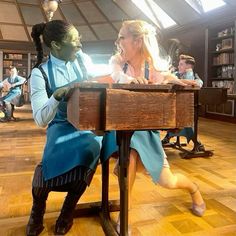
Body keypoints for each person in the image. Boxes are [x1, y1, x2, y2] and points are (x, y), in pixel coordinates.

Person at [108, 20, 206, 232]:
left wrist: (179, 82)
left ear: (137, 41)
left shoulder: (152, 66)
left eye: (122, 36)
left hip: (146, 131)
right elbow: (117, 76)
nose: (118, 41)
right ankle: (125, 214)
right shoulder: (117, 61)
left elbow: (166, 76)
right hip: (123, 128)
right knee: (129, 157)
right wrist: (129, 80)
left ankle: (193, 189)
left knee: (167, 181)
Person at [27, 20, 112, 236]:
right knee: (43, 178)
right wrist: (56, 95)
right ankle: (37, 212)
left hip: (86, 126)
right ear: (56, 46)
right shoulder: (40, 74)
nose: (79, 45)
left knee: (89, 149)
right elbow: (40, 119)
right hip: (60, 126)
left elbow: (106, 74)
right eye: (74, 41)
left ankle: (68, 209)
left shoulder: (82, 60)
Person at [162, 54, 204, 145]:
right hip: (173, 104)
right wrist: (185, 82)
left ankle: (195, 141)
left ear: (188, 67)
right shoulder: (176, 74)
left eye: (181, 64)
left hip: (186, 107)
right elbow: (167, 79)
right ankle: (168, 136)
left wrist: (188, 74)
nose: (178, 66)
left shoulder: (194, 76)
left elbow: (196, 84)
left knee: (185, 119)